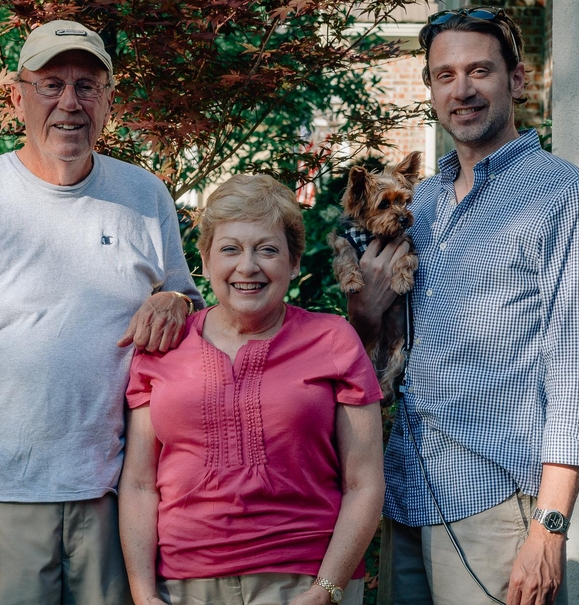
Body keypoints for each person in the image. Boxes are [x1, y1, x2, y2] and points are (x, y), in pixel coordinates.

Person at [0, 20, 202, 604]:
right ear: (17, 96)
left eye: (87, 85)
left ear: (109, 99)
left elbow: (187, 308)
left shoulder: (144, 196)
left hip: (115, 498)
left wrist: (176, 299)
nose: (70, 103)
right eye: (50, 84)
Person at [348, 8, 579, 605]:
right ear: (431, 90)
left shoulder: (566, 197)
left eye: (479, 71)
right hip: (409, 489)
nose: (462, 89)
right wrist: (365, 316)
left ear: (517, 80)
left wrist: (549, 529)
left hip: (497, 501)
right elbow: (389, 342)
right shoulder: (423, 201)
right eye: (444, 76)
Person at [119, 175, 385, 605]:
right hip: (185, 585)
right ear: (203, 262)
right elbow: (138, 484)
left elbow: (365, 483)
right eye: (230, 249)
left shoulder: (332, 340)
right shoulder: (164, 347)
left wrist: (326, 591)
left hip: (305, 582)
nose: (247, 267)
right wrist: (143, 594)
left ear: (294, 262)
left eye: (267, 249)